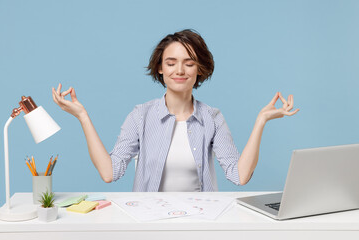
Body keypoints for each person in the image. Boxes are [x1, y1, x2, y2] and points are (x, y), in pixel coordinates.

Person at [52, 29, 299, 192]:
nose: (179, 70)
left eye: (189, 63)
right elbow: (109, 172)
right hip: (150, 225)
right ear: (160, 68)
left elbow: (239, 175)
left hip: (200, 224)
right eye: (171, 63)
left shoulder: (213, 118)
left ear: (199, 70)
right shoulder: (141, 115)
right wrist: (83, 116)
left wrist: (261, 121)